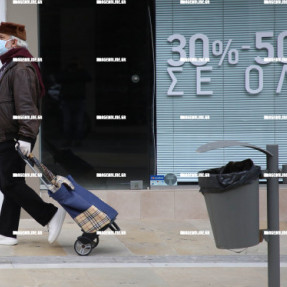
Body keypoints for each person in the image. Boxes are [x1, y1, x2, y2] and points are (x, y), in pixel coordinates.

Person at [0, 22, 66, 245]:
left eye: (1, 39)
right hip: (10, 133)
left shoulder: (21, 67)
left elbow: (27, 106)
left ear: (14, 42)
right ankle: (7, 232)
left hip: (14, 135)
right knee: (10, 182)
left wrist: (26, 137)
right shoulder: (11, 65)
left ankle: (51, 215)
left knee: (9, 182)